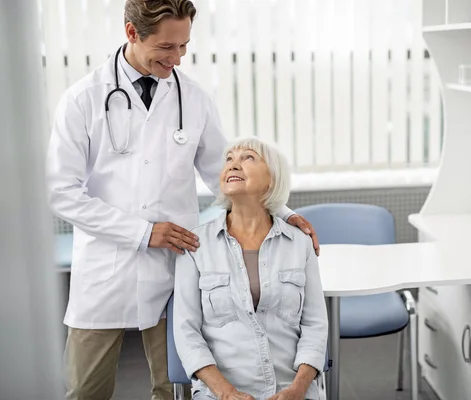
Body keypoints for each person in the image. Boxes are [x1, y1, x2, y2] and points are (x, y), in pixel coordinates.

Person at [45, 1, 318, 399]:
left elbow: (224, 176)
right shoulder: (82, 100)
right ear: (132, 33)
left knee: (174, 387)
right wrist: (142, 233)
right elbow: (61, 192)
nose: (176, 58)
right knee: (85, 390)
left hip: (175, 269)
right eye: (166, 48)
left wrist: (284, 213)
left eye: (184, 46)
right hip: (105, 268)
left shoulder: (192, 98)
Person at [173, 137, 329, 400]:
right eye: (229, 159)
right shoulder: (196, 245)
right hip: (219, 393)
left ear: (272, 178)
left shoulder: (300, 243)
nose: (233, 165)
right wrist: (227, 393)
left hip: (292, 388)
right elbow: (186, 332)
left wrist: (297, 389)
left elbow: (315, 325)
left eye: (248, 157)